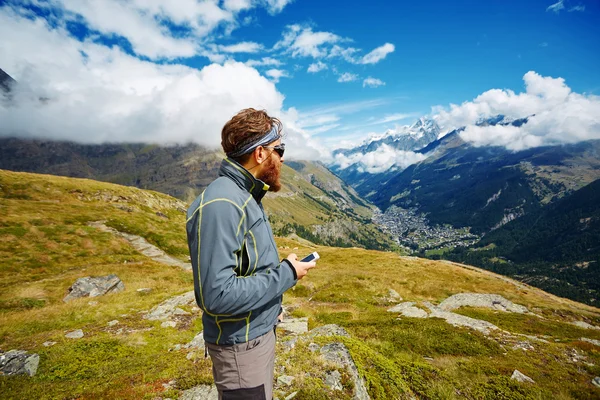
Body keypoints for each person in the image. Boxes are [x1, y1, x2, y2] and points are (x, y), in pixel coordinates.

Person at [186, 108, 317, 399]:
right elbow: (216, 295)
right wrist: (287, 273)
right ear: (260, 154)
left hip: (253, 337)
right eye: (278, 150)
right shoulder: (223, 204)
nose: (282, 158)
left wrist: (270, 307)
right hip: (241, 349)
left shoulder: (243, 196)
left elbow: (248, 268)